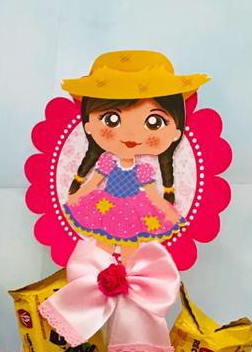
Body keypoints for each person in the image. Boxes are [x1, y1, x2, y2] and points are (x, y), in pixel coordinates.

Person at [60, 50, 209, 251]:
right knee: (102, 246)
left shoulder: (143, 172)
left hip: (134, 211)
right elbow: (93, 183)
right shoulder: (107, 163)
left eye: (154, 122)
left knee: (131, 250)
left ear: (176, 132)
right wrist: (76, 195)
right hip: (106, 206)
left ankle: (131, 270)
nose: (130, 134)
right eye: (111, 119)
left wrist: (169, 211)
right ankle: (100, 267)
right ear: (87, 125)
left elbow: (153, 196)